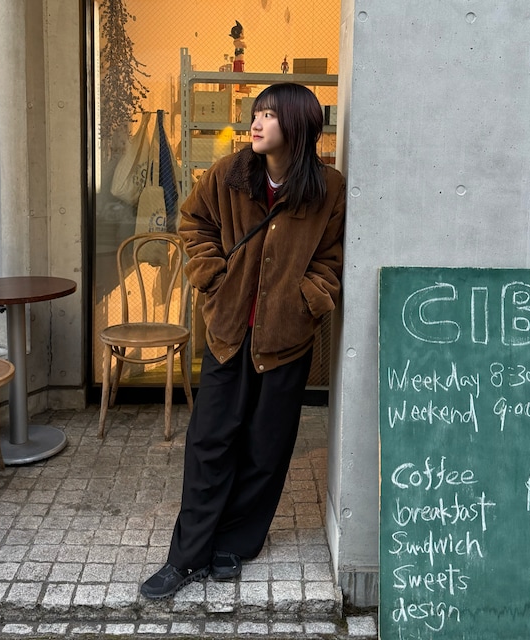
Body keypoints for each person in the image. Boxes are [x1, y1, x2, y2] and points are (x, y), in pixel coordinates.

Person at [140, 82, 346, 599]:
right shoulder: (228, 174)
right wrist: (212, 276)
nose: (256, 123)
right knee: (210, 443)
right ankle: (187, 556)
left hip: (286, 338)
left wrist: (308, 298)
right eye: (257, 113)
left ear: (297, 124)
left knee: (266, 447)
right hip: (229, 333)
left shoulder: (328, 188)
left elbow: (332, 256)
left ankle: (235, 543)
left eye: (270, 115)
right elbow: (193, 223)